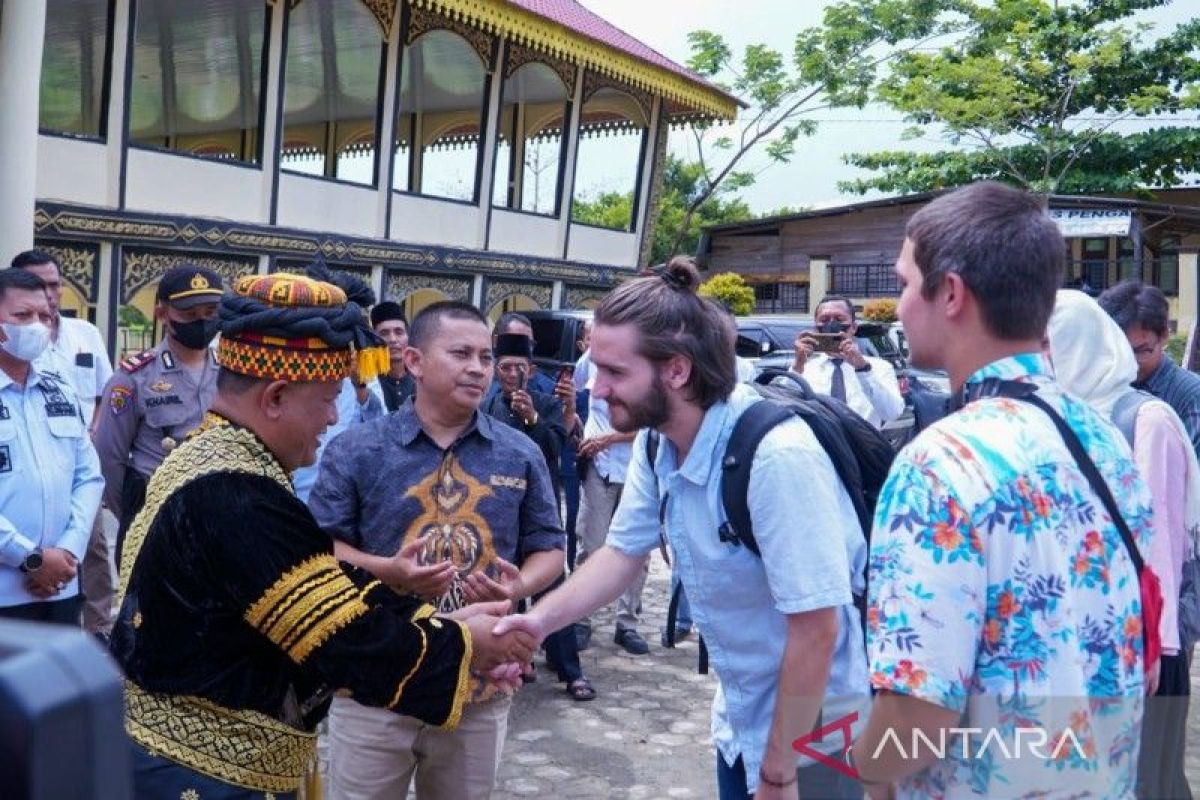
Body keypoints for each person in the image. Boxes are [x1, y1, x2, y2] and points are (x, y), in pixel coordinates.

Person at [110, 272, 533, 799]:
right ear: (276, 397)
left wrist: (435, 619)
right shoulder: (236, 494)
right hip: (210, 777)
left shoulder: (208, 455)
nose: (334, 418)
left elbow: (316, 586)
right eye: (329, 399)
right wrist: (467, 645)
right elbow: (343, 644)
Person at [496, 258, 871, 799]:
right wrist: (536, 625)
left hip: (816, 741)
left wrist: (778, 772)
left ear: (676, 369)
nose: (596, 390)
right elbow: (622, 552)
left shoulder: (776, 458)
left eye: (615, 372)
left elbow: (817, 628)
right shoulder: (658, 441)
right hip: (743, 720)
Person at [851, 182, 1151, 798]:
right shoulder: (1103, 438)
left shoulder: (940, 464)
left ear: (952, 293)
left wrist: (855, 766)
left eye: (906, 283)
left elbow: (918, 717)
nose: (899, 303)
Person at [308, 301, 565, 800]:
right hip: (373, 681)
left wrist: (522, 584)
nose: (477, 368)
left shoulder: (520, 451)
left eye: (486, 357)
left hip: (478, 686)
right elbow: (321, 548)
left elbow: (550, 547)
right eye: (461, 353)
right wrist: (388, 571)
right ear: (415, 362)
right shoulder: (358, 449)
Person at [1047, 289, 1197, 800]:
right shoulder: (1065, 416)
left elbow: (1161, 547)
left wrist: (1156, 646)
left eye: (1049, 346)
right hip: (1095, 639)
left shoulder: (1145, 419)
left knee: (1151, 778)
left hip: (1151, 640)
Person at [483, 332, 595, 700]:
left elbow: (553, 447)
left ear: (530, 370)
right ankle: (507, 663)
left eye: (519, 367)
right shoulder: (487, 408)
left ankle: (570, 671)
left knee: (552, 586)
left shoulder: (547, 405)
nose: (512, 374)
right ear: (497, 371)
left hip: (539, 508)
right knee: (504, 588)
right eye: (505, 367)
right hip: (500, 509)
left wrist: (531, 417)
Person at [10, 249, 115, 636]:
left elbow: (89, 476)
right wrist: (32, 559)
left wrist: (67, 552)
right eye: (22, 316)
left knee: (53, 691)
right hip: (7, 590)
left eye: (42, 314)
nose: (37, 324)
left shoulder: (59, 389)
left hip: (59, 590)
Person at [93, 265, 223, 560]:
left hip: (217, 517)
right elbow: (108, 459)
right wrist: (136, 515)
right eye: (189, 315)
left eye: (210, 312)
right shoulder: (134, 378)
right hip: (156, 519)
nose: (201, 322)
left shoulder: (231, 373)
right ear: (162, 314)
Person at [574, 325, 645, 655]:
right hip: (599, 469)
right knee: (592, 544)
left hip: (638, 471)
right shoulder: (586, 363)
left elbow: (654, 425)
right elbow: (576, 403)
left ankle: (627, 623)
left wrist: (611, 438)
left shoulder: (647, 363)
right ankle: (580, 618)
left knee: (636, 551)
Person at [1100, 280, 1200, 457]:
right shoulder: (1103, 386)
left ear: (1164, 336)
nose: (1127, 362)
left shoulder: (1191, 396)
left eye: (1139, 351)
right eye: (1117, 351)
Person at [789, 295, 904, 427]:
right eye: (824, 320)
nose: (832, 324)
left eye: (839, 319)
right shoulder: (805, 369)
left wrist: (863, 369)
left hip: (861, 445)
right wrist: (797, 366)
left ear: (853, 327)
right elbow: (785, 407)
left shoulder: (879, 368)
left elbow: (892, 413)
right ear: (816, 328)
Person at [368, 300, 416, 412]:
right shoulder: (367, 382)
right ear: (374, 339)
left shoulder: (421, 380)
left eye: (399, 332)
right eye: (384, 333)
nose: (393, 339)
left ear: (408, 337)